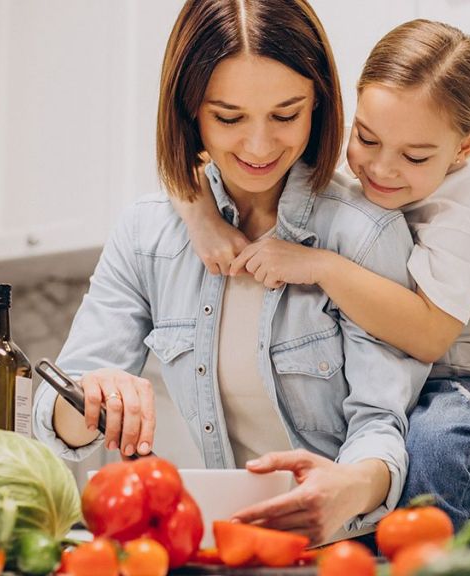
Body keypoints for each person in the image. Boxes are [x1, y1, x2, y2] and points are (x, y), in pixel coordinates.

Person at [31, 0, 429, 545]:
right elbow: (53, 416)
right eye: (228, 117)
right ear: (189, 110)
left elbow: (383, 423)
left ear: (318, 103)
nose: (260, 146)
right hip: (233, 548)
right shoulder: (147, 234)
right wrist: (93, 394)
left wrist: (350, 487)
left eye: (286, 115)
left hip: (352, 546)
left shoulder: (364, 232)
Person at [174, 19, 470, 529]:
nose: (381, 168)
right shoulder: (363, 178)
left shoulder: (463, 209)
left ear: (465, 146)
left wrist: (319, 265)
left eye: (415, 156)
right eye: (366, 138)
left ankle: (435, 558)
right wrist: (202, 218)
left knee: (433, 444)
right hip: (409, 391)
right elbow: (189, 160)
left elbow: (430, 334)